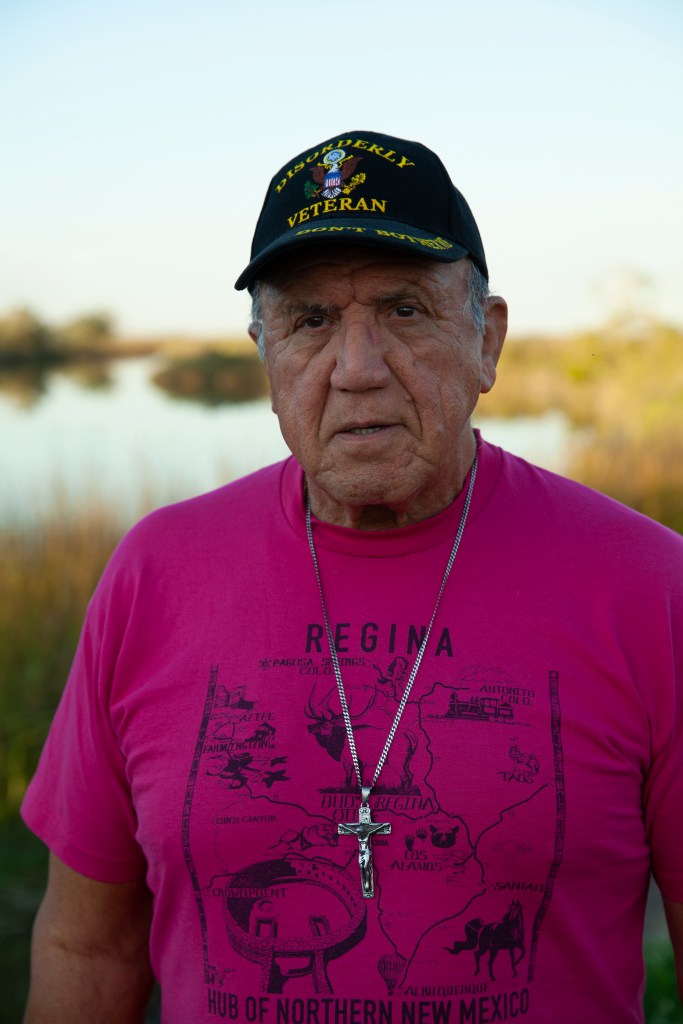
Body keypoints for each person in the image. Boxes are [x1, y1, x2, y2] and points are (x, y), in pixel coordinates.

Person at [21, 130, 682, 1023]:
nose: (359, 369)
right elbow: (86, 945)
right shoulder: (155, 574)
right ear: (265, 355)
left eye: (405, 311)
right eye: (310, 321)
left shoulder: (648, 586)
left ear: (485, 342)